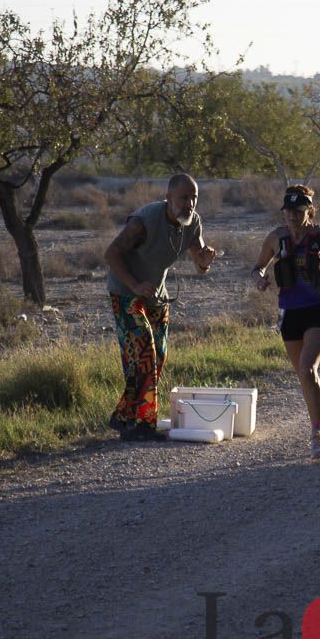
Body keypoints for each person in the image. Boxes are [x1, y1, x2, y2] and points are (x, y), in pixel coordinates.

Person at [104, 174, 217, 441]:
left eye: (194, 198)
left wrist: (205, 260)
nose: (189, 204)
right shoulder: (145, 221)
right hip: (126, 291)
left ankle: (124, 419)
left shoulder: (192, 223)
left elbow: (200, 265)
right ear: (168, 198)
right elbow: (111, 254)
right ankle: (142, 425)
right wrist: (134, 285)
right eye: (183, 198)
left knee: (159, 356)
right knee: (144, 350)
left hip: (156, 294)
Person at [252, 185, 320, 459]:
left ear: (309, 211)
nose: (292, 218)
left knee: (308, 368)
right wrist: (260, 278)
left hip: (318, 309)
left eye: (298, 212)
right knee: (305, 377)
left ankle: (317, 434)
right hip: (289, 313)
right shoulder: (276, 238)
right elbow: (258, 266)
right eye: (288, 212)